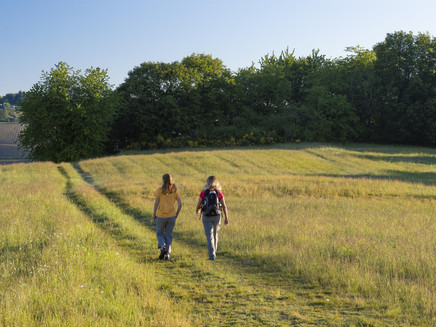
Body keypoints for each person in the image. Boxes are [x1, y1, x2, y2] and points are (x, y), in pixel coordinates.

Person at [196, 176, 229, 260]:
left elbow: (198, 204)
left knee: (209, 236)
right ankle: (214, 252)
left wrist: (197, 211)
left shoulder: (204, 192)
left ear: (207, 182)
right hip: (217, 215)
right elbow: (224, 206)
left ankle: (212, 254)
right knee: (215, 235)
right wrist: (226, 218)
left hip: (206, 216)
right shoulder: (219, 193)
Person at [153, 174, 182, 260]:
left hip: (161, 216)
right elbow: (180, 204)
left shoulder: (159, 190)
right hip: (172, 216)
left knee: (159, 233)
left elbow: (156, 203)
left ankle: (163, 246)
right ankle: (167, 254)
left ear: (163, 180)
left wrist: (154, 214)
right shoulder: (175, 190)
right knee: (169, 235)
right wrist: (176, 214)